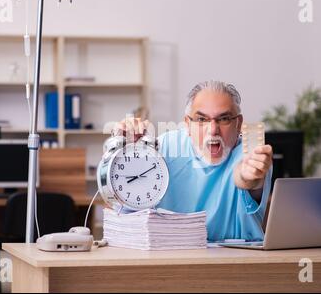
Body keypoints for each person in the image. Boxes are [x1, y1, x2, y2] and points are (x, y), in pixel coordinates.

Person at [113, 80, 273, 241]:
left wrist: (247, 176)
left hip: (237, 261)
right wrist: (125, 152)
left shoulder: (251, 154)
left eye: (223, 119)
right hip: (171, 256)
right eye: (202, 119)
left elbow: (246, 178)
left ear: (238, 124)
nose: (213, 130)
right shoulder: (165, 147)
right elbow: (127, 205)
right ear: (188, 124)